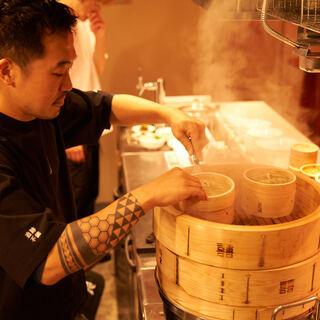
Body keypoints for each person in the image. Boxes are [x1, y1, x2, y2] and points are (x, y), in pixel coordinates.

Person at [0, 1, 207, 319]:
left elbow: (105, 107)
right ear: (7, 70)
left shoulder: (40, 109)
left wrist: (169, 115)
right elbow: (49, 261)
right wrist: (147, 194)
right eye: (59, 71)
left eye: (70, 68)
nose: (68, 85)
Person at [60, 0, 109, 220]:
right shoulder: (60, 22)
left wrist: (100, 37)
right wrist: (68, 135)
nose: (98, 7)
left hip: (87, 122)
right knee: (74, 208)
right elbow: (59, 82)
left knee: (89, 194)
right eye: (95, 1)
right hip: (71, 128)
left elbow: (96, 71)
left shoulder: (84, 23)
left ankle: (91, 255)